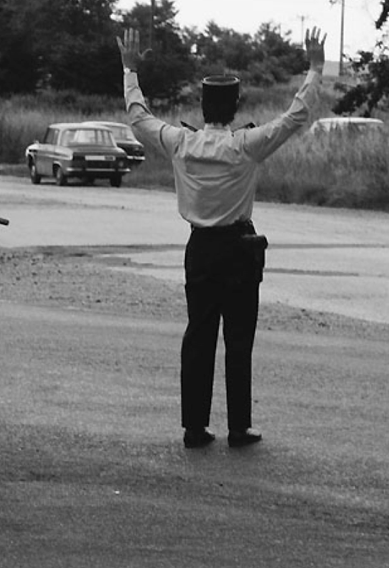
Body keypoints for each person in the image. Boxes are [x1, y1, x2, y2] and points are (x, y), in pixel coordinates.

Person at [116, 26, 326, 449]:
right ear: (233, 108)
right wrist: (315, 67)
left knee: (199, 336)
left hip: (199, 250)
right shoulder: (245, 145)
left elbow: (139, 117)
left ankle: (194, 427)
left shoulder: (181, 143)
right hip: (237, 250)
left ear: (201, 105)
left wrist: (130, 69)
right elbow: (295, 117)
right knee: (239, 339)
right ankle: (238, 427)